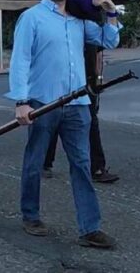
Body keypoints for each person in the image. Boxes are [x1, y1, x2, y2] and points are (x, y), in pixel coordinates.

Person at [7, 0, 121, 248]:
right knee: (35, 161)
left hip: (78, 103)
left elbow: (110, 40)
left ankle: (89, 228)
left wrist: (109, 10)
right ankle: (30, 215)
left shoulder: (80, 20)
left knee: (81, 165)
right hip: (41, 102)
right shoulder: (32, 18)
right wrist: (21, 101)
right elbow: (20, 61)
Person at [42, 45, 119, 183]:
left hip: (86, 82)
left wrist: (99, 77)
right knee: (54, 119)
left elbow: (99, 52)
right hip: (61, 80)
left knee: (91, 122)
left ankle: (97, 167)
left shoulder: (89, 27)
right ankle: (45, 162)